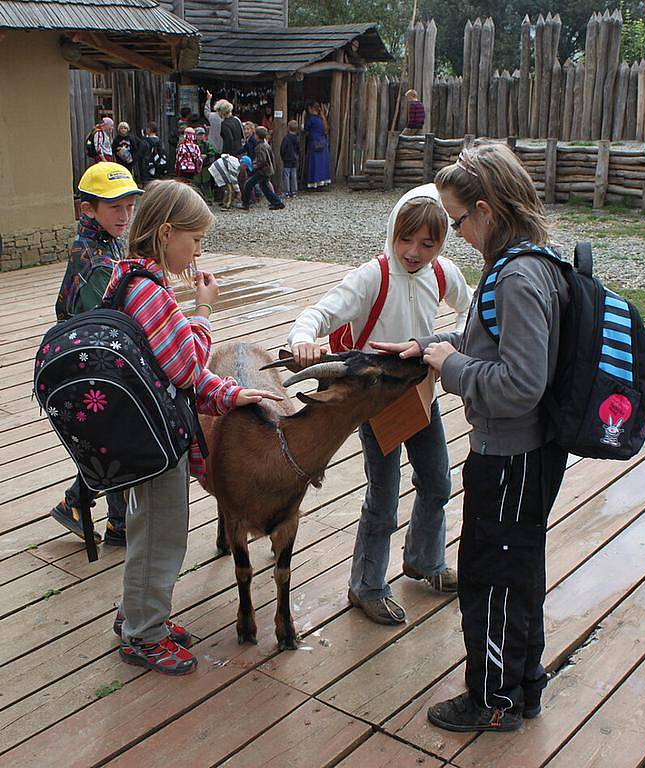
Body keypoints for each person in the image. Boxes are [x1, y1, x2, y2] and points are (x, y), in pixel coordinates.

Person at [374, 143, 570, 732]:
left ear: (486, 209)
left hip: (511, 456)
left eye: (457, 220)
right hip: (526, 454)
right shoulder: (533, 260)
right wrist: (433, 350)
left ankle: (493, 698)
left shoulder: (516, 277)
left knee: (490, 579)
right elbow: (498, 346)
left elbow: (520, 384)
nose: (456, 232)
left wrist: (451, 369)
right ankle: (522, 687)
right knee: (515, 573)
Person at [103, 180, 281, 674]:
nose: (199, 251)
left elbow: (175, 370)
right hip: (156, 441)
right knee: (162, 536)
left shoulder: (129, 278)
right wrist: (204, 309)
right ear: (165, 233)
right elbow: (186, 366)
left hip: (143, 432)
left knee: (147, 531)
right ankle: (143, 634)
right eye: (195, 239)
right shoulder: (149, 292)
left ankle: (137, 614)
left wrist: (230, 394)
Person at [288, 187, 473, 624]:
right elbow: (320, 314)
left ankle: (424, 560)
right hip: (376, 396)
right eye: (406, 239)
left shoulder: (443, 274)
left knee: (437, 482)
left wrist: (446, 343)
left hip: (420, 388)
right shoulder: (373, 277)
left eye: (428, 243)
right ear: (392, 232)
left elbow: (476, 307)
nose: (414, 252)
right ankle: (366, 585)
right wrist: (302, 341)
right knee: (384, 495)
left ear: (442, 242)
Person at [52, 162, 143, 545]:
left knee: (109, 438)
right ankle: (111, 519)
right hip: (88, 362)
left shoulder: (103, 240)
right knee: (116, 435)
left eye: (128, 205)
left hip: (90, 356)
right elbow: (107, 319)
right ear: (87, 209)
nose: (124, 215)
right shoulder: (96, 261)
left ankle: (86, 507)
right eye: (113, 207)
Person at [241, 126, 285, 211]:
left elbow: (262, 161)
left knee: (248, 184)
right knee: (264, 187)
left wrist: (253, 166)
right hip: (268, 169)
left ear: (257, 136)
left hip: (263, 171)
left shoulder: (260, 147)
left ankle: (245, 203)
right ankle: (277, 203)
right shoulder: (266, 144)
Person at [304, 102, 331, 190]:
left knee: (314, 163)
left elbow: (306, 128)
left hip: (314, 143)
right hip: (323, 142)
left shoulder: (311, 119)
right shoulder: (321, 119)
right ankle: (323, 182)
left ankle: (314, 182)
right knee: (322, 163)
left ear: (311, 109)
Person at [194, 127, 217, 204]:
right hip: (196, 166)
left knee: (206, 182)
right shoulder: (193, 144)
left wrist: (206, 155)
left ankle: (209, 198)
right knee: (197, 183)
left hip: (205, 165)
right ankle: (198, 198)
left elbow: (212, 152)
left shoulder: (207, 144)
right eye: (199, 135)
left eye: (202, 134)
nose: (201, 136)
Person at [280, 120, 300, 198]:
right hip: (294, 158)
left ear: (288, 128)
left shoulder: (286, 138)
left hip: (287, 158)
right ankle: (294, 191)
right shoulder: (296, 138)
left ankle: (287, 191)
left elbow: (283, 148)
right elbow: (298, 148)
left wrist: (283, 156)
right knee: (294, 174)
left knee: (286, 175)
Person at [203, 90, 225, 154]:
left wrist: (208, 99)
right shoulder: (228, 118)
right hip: (223, 146)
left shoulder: (212, 116)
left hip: (213, 145)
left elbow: (206, 111)